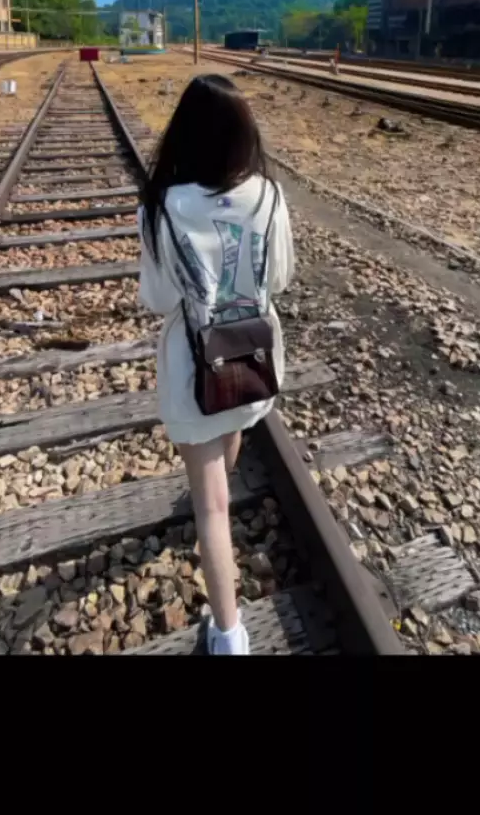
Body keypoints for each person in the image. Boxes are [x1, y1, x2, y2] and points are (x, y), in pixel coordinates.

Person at [138, 74, 295, 655]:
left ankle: (229, 635)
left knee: (210, 506)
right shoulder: (269, 196)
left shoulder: (162, 204)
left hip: (193, 371)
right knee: (232, 436)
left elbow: (158, 299)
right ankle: (219, 486)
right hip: (254, 360)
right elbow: (280, 279)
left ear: (184, 135)